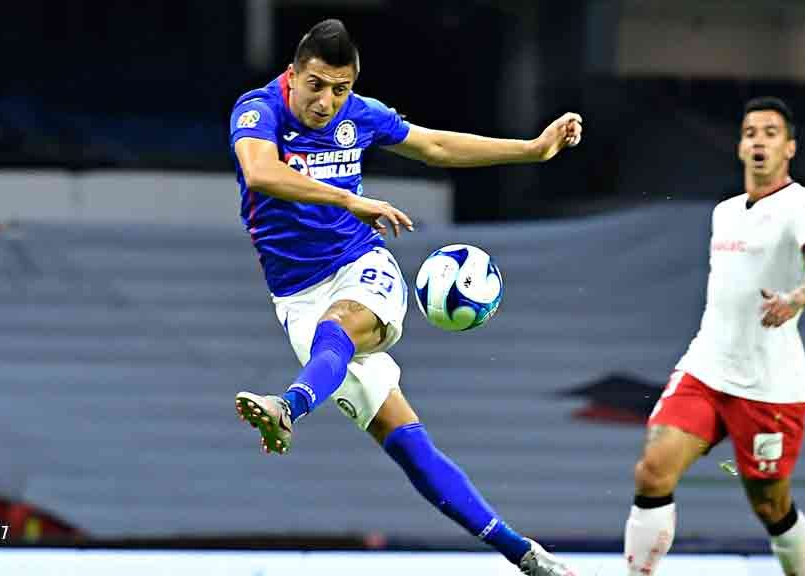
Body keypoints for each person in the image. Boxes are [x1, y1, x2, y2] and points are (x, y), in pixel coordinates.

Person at [230, 19, 583, 576]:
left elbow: (436, 146)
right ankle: (524, 553)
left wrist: (533, 149)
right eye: (316, 85)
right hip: (296, 297)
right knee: (408, 446)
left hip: (362, 266)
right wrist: (349, 199)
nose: (326, 102)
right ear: (293, 74)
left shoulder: (359, 115)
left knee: (343, 326)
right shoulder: (258, 111)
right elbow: (261, 172)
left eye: (340, 89)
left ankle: (287, 407)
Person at [623, 96, 805, 576]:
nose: (758, 141)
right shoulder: (724, 212)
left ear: (789, 148)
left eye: (770, 133)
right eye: (750, 133)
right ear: (740, 147)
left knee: (770, 506)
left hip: (769, 387)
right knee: (653, 469)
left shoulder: (802, 205)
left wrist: (796, 297)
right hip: (706, 368)